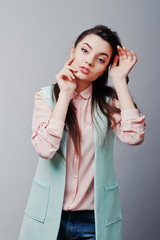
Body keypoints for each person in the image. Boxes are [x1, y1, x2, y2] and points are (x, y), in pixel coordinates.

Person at [18, 25, 146, 240]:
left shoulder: (108, 103)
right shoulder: (46, 97)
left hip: (93, 220)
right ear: (72, 52)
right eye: (85, 51)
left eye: (101, 59)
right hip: (49, 216)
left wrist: (120, 80)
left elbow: (133, 136)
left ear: (105, 68)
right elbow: (45, 149)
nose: (89, 61)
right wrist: (66, 94)